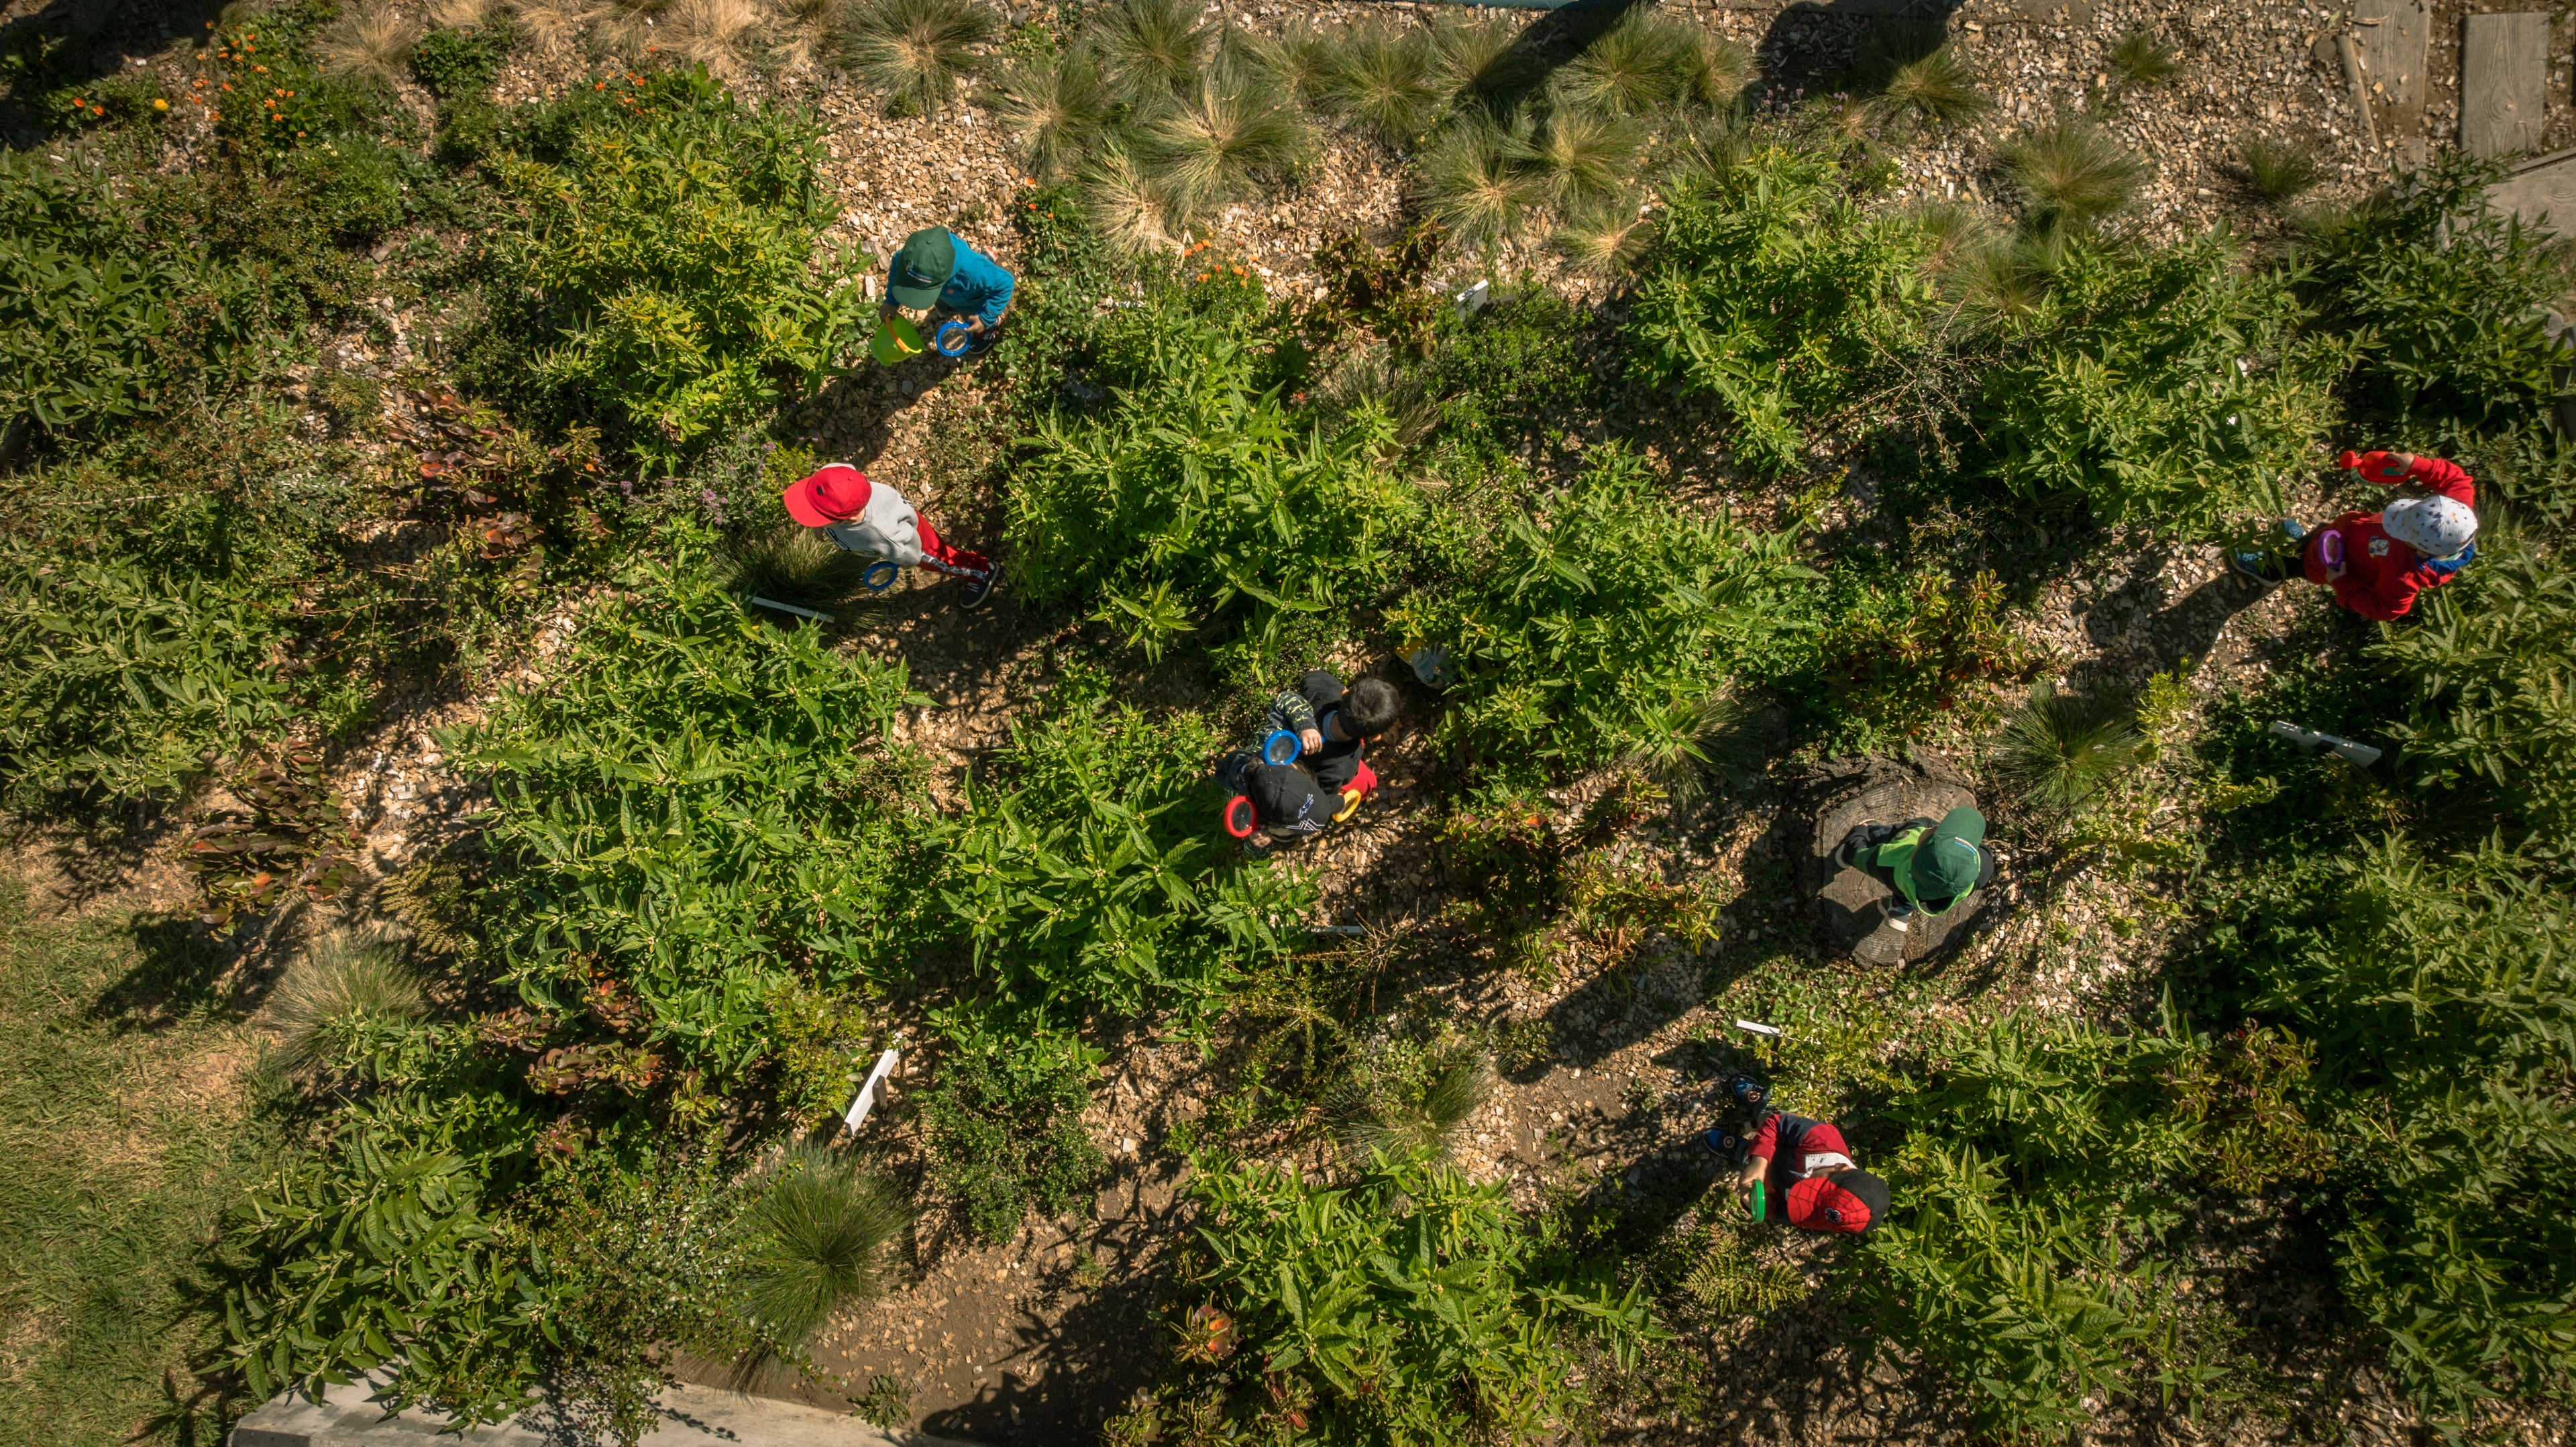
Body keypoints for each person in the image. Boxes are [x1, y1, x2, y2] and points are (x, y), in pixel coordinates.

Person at [2231, 449, 2478, 621]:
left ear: (2421, 550)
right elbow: (2456, 478)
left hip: (2335, 560)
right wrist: (2416, 464)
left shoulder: (2404, 575)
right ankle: (2303, 540)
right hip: (2348, 531)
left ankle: (2270, 571)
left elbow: (2386, 609)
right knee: (2321, 534)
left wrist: (2342, 582)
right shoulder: (2454, 513)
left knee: (2301, 561)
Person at [1215, 672, 1401, 853]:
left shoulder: (1321, 691)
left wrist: (1305, 725)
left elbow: (1304, 684)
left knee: (1364, 779)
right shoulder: (1343, 767)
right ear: (1375, 737)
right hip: (1335, 764)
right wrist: (1255, 842)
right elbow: (1325, 795)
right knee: (1368, 782)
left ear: (1344, 694)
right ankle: (1358, 737)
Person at [781, 462, 1000, 608]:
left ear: (845, 519)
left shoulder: (881, 534)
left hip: (912, 540)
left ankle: (981, 571)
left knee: (939, 560)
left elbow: (909, 555)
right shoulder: (836, 477)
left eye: (817, 515)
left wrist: (902, 560)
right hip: (893, 524)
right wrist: (819, 524)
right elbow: (841, 470)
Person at [1718, 1108, 1890, 1235]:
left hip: (1773, 1178)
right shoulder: (1823, 1138)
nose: (1807, 1188)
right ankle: (1758, 1103)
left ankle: (1740, 1150)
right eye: (1817, 1188)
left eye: (1814, 1205)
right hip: (1778, 1141)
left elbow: (1782, 1211)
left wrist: (1757, 1203)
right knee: (1767, 1117)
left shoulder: (1819, 1215)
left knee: (1747, 1158)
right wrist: (1759, 1164)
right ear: (1840, 1168)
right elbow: (1776, 1125)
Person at [1841, 805, 1994, 922]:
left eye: (1934, 833)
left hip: (1900, 879)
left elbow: (1859, 856)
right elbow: (1985, 854)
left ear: (1914, 856)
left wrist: (1860, 832)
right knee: (1923, 892)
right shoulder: (1978, 873)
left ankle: (1847, 854)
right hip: (1927, 895)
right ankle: (1900, 908)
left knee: (1920, 823)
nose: (1935, 828)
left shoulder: (1890, 862)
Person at [881, 226, 1015, 348]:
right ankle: (985, 262)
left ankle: (992, 326)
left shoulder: (969, 272)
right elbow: (897, 267)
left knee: (971, 317)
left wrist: (985, 318)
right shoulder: (911, 257)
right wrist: (891, 301)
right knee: (945, 309)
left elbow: (1006, 283)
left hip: (971, 300)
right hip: (946, 296)